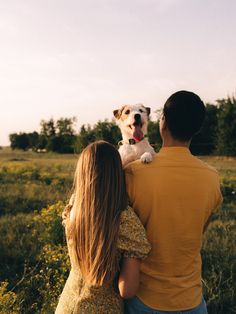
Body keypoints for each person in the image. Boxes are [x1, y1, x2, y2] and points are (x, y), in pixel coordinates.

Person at [124, 91, 223, 314]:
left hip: (143, 299)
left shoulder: (132, 173)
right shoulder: (212, 178)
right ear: (197, 129)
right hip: (193, 301)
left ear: (163, 123)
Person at [55, 141, 151, 314]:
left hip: (67, 305)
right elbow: (127, 290)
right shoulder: (125, 219)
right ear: (116, 173)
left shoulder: (74, 204)